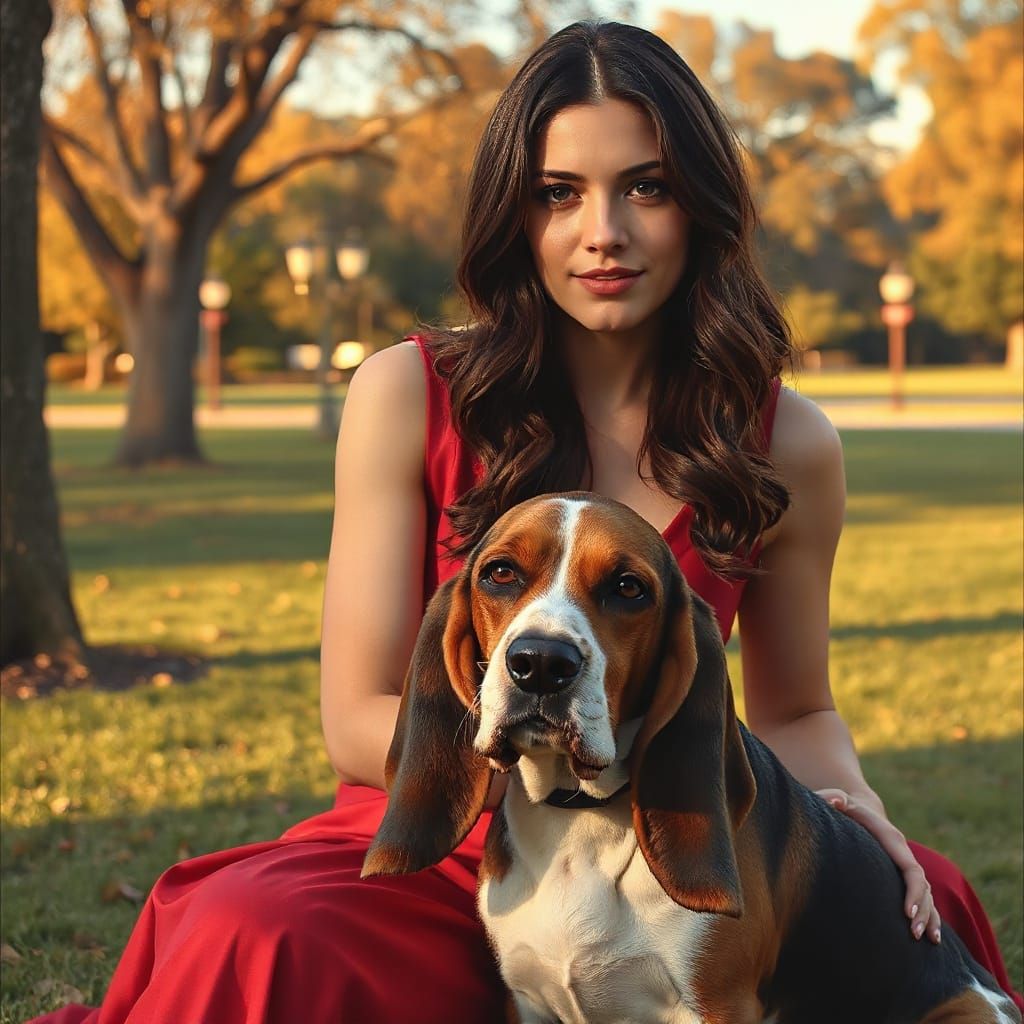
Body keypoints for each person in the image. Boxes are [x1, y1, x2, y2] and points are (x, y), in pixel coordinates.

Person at [31, 21, 1020, 1024]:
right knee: (256, 928)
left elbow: (795, 714)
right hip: (441, 824)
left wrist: (860, 813)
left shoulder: (788, 443)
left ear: (702, 207)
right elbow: (357, 711)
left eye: (648, 186)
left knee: (925, 901)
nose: (604, 232)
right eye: (559, 193)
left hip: (670, 832)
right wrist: (533, 747)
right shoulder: (404, 393)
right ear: (515, 213)